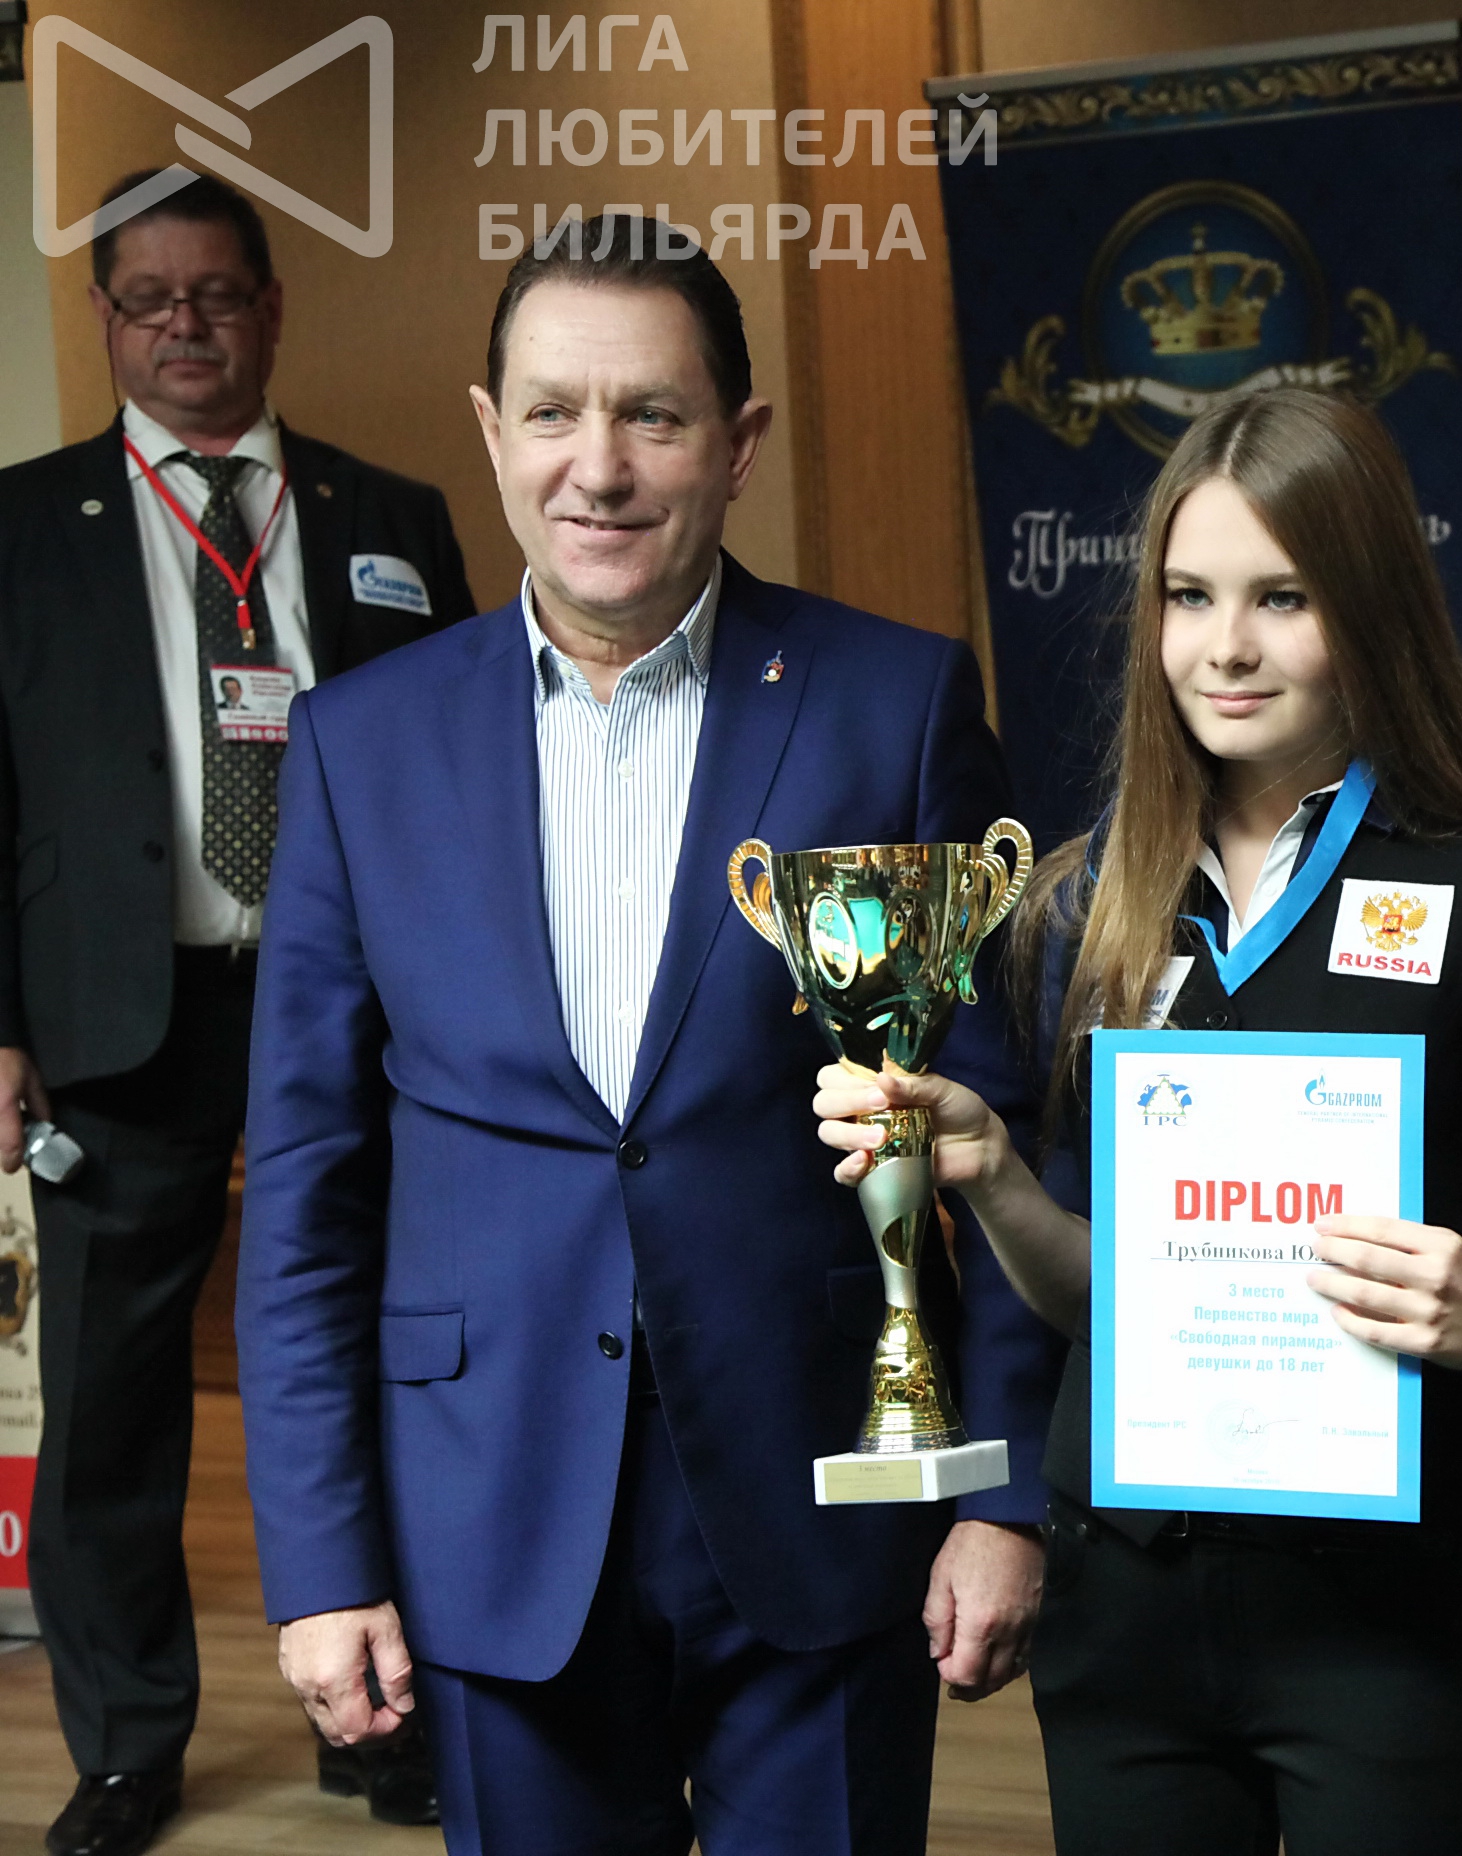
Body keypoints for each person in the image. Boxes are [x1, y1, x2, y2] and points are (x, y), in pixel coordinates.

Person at [234, 215, 1063, 1855]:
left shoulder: (892, 705)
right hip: (487, 1508)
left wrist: (1006, 1495)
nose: (597, 467)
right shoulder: (359, 747)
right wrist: (322, 1566)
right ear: (492, 432)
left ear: (738, 443)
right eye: (553, 412)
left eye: (653, 415)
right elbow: (310, 1189)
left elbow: (1001, 1131)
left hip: (825, 1496)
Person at [813, 386, 1462, 1855]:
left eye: (1282, 597)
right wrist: (994, 1179)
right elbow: (1098, 1290)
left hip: (1386, 1617)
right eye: (1189, 597)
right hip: (1127, 1617)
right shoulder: (1088, 901)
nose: (1226, 647)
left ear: (1370, 608)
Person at [0, 171, 473, 1856]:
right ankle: (129, 1749)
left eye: (215, 294)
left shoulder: (389, 514)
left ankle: (389, 1720)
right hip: (117, 1016)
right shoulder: (18, 525)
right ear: (106, 321)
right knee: (111, 1408)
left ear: (271, 310)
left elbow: (465, 772)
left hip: (356, 1012)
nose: (184, 325)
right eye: (149, 298)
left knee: (388, 1364)